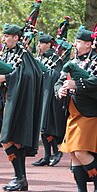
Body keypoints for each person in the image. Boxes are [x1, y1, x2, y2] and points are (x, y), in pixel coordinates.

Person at [0, 24, 42, 192]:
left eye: (8, 36)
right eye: (4, 36)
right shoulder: (7, 53)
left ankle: (19, 177)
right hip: (9, 99)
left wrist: (5, 78)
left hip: (20, 102)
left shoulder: (24, 54)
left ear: (16, 37)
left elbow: (28, 75)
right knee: (13, 140)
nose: (5, 39)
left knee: (8, 139)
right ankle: (20, 178)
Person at [55, 26, 97, 192]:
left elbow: (94, 82)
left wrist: (76, 85)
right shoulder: (74, 60)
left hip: (88, 112)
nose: (75, 44)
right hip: (72, 111)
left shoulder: (95, 60)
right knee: (73, 153)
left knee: (81, 151)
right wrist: (61, 90)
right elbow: (59, 80)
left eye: (79, 42)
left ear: (88, 44)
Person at [32, 33, 67, 167]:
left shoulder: (55, 58)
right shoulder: (40, 57)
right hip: (42, 94)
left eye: (41, 43)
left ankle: (56, 151)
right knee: (42, 127)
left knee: (47, 127)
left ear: (48, 44)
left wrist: (45, 72)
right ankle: (47, 155)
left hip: (51, 97)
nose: (39, 46)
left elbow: (57, 75)